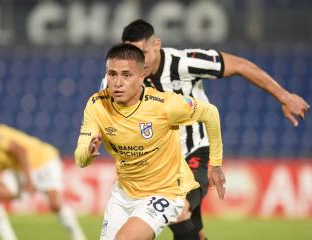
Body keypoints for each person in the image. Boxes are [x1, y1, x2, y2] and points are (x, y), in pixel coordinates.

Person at [100, 19, 310, 240]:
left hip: (194, 153)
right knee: (191, 229)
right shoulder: (119, 77)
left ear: (157, 45)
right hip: (158, 164)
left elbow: (239, 65)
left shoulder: (184, 63)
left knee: (178, 209)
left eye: (142, 52)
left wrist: (284, 96)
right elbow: (103, 112)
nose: (137, 61)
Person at [75, 43, 225, 240]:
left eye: (126, 75)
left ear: (141, 77)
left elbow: (210, 112)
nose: (118, 82)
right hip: (123, 195)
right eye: (112, 74)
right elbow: (80, 159)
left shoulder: (164, 105)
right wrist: (88, 152)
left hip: (165, 192)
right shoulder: (97, 105)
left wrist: (215, 163)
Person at [0, 124, 87, 240]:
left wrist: (28, 180)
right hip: (20, 170)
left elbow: (20, 151)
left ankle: (78, 236)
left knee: (55, 205)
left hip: (43, 161)